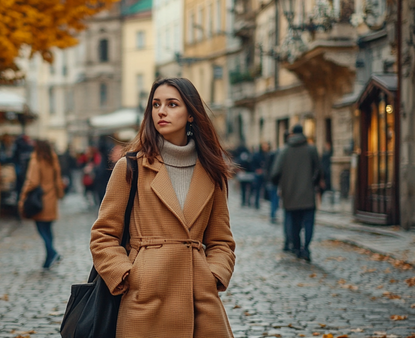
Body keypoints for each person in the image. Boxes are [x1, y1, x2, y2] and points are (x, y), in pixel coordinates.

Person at [90, 77, 236, 337]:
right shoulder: (132, 166)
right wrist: (126, 275)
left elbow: (221, 241)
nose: (162, 111)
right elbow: (103, 236)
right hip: (144, 301)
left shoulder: (213, 172)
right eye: (156, 104)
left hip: (198, 302)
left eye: (172, 104)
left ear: (191, 114)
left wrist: (212, 276)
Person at [271, 124, 321, 262]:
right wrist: (313, 184)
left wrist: (280, 185)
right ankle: (306, 248)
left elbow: (275, 172)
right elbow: (318, 170)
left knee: (293, 223)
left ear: (292, 134)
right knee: (309, 222)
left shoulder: (284, 150)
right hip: (308, 193)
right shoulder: (311, 149)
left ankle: (297, 248)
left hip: (290, 193)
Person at [18, 139, 65, 269]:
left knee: (41, 228)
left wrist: (23, 196)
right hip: (51, 198)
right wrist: (59, 194)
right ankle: (50, 255)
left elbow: (32, 181)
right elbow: (58, 179)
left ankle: (52, 253)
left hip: (39, 199)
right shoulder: (52, 159)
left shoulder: (36, 160)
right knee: (48, 228)